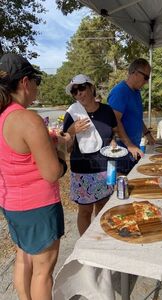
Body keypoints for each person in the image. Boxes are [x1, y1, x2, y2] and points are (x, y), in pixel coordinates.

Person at [0, 53, 71, 300]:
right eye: (36, 81)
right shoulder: (27, 118)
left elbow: (15, 153)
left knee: (22, 259)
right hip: (38, 207)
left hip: (12, 204)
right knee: (42, 273)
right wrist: (61, 148)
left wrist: (45, 141)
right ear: (25, 82)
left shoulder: (3, 116)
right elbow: (52, 172)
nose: (37, 88)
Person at [63, 74, 117, 235]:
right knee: (85, 211)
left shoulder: (107, 111)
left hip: (104, 168)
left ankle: (100, 238)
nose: (78, 93)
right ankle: (84, 245)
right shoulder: (72, 114)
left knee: (102, 207)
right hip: (82, 171)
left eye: (81, 88)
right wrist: (72, 131)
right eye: (74, 91)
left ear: (91, 87)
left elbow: (113, 133)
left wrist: (113, 142)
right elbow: (67, 147)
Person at [107, 58, 155, 174]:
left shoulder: (136, 92)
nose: (146, 81)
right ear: (135, 73)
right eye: (146, 77)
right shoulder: (120, 91)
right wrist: (129, 145)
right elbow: (115, 121)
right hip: (121, 150)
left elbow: (137, 118)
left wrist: (147, 134)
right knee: (125, 185)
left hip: (133, 148)